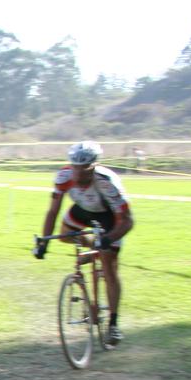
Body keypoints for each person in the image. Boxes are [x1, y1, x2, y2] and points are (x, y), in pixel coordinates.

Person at [33, 140, 134, 345]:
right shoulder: (64, 176)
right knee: (65, 234)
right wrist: (44, 243)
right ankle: (93, 249)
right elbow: (53, 211)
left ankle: (113, 324)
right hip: (83, 210)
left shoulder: (107, 182)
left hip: (110, 216)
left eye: (84, 171)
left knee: (110, 267)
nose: (78, 176)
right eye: (75, 169)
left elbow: (128, 220)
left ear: (93, 167)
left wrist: (109, 239)